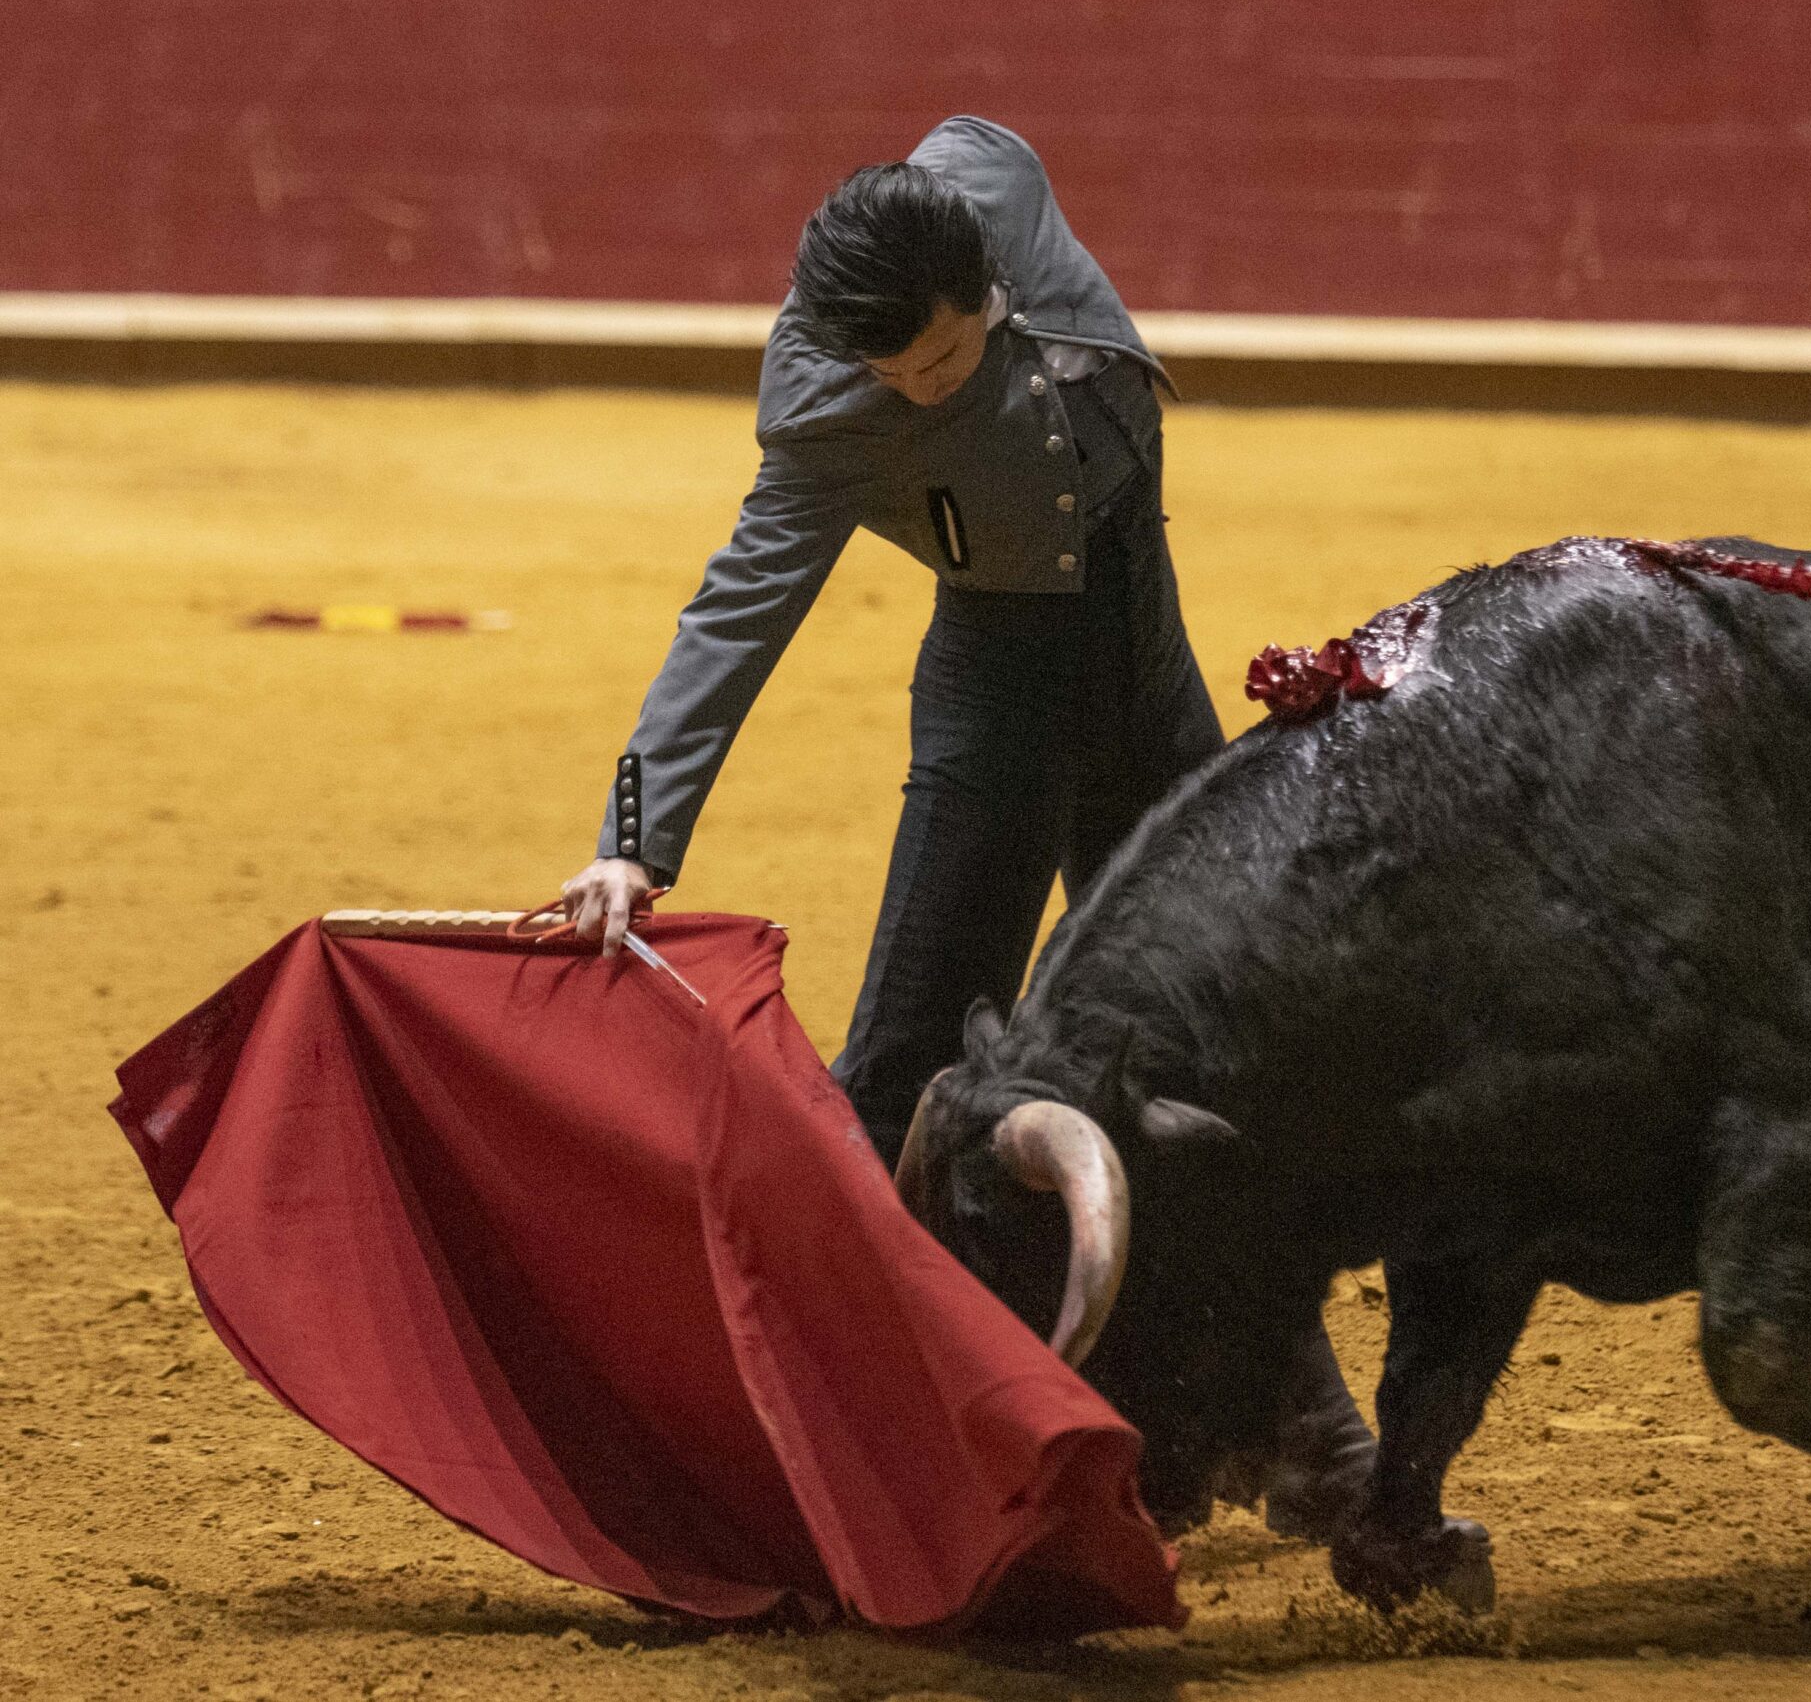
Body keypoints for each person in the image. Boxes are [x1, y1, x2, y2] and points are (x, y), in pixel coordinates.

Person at [555, 116, 1374, 1539]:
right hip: (999, 707)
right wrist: (638, 832)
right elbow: (732, 617)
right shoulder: (824, 417)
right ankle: (839, 1457)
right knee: (899, 1079)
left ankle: (1308, 1436)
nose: (956, 371)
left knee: (1221, 1047)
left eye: (966, 336)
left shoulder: (984, 176)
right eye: (922, 375)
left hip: (1145, 653)